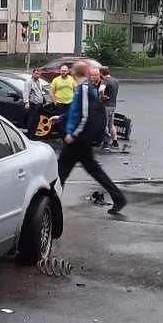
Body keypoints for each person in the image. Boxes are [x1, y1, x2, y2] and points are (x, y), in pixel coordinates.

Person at [52, 61, 126, 215]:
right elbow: (75, 111)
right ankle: (118, 198)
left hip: (79, 139)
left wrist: (73, 134)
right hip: (82, 139)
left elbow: (85, 115)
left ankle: (52, 206)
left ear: (73, 72)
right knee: (92, 169)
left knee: (61, 171)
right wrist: (61, 118)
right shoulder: (86, 88)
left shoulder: (84, 88)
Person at [49, 64, 76, 137]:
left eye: (65, 71)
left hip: (70, 103)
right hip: (60, 104)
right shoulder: (56, 80)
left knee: (69, 120)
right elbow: (51, 92)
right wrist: (55, 102)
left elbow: (76, 91)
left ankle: (69, 134)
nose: (63, 72)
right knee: (60, 121)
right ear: (60, 71)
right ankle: (62, 136)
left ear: (67, 71)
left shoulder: (72, 79)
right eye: (62, 71)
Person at [22, 67, 49, 139]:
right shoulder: (29, 82)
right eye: (36, 74)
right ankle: (30, 135)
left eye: (39, 74)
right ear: (33, 73)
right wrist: (26, 102)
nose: (38, 76)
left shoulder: (38, 82)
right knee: (32, 120)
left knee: (37, 120)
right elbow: (26, 92)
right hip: (33, 103)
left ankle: (33, 134)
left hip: (39, 104)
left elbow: (39, 92)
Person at [99, 66, 121, 149]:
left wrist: (102, 95)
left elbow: (101, 89)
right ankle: (115, 142)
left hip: (106, 105)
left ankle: (105, 142)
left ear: (101, 73)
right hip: (113, 105)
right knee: (111, 125)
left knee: (104, 124)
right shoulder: (115, 81)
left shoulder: (105, 81)